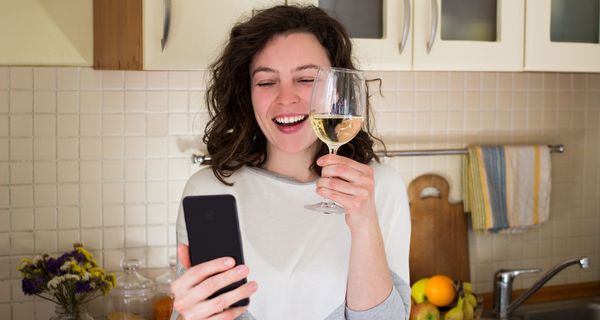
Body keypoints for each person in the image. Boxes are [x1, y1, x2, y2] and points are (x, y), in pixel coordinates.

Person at [171, 5, 411, 320]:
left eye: (307, 79)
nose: (286, 98)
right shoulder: (209, 191)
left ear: (337, 88)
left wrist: (364, 225)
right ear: (247, 93)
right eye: (266, 82)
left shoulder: (380, 188)